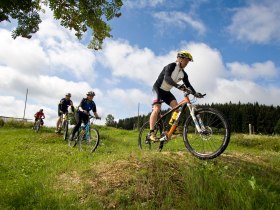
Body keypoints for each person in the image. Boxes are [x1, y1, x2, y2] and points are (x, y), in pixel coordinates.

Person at [149, 50, 203, 141]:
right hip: (157, 89)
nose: (187, 63)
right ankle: (151, 132)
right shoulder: (171, 66)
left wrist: (195, 93)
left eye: (188, 61)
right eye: (186, 60)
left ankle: (172, 126)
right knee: (157, 109)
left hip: (166, 92)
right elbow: (167, 78)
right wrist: (178, 86)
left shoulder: (183, 74)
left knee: (177, 108)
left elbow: (188, 85)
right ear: (180, 59)